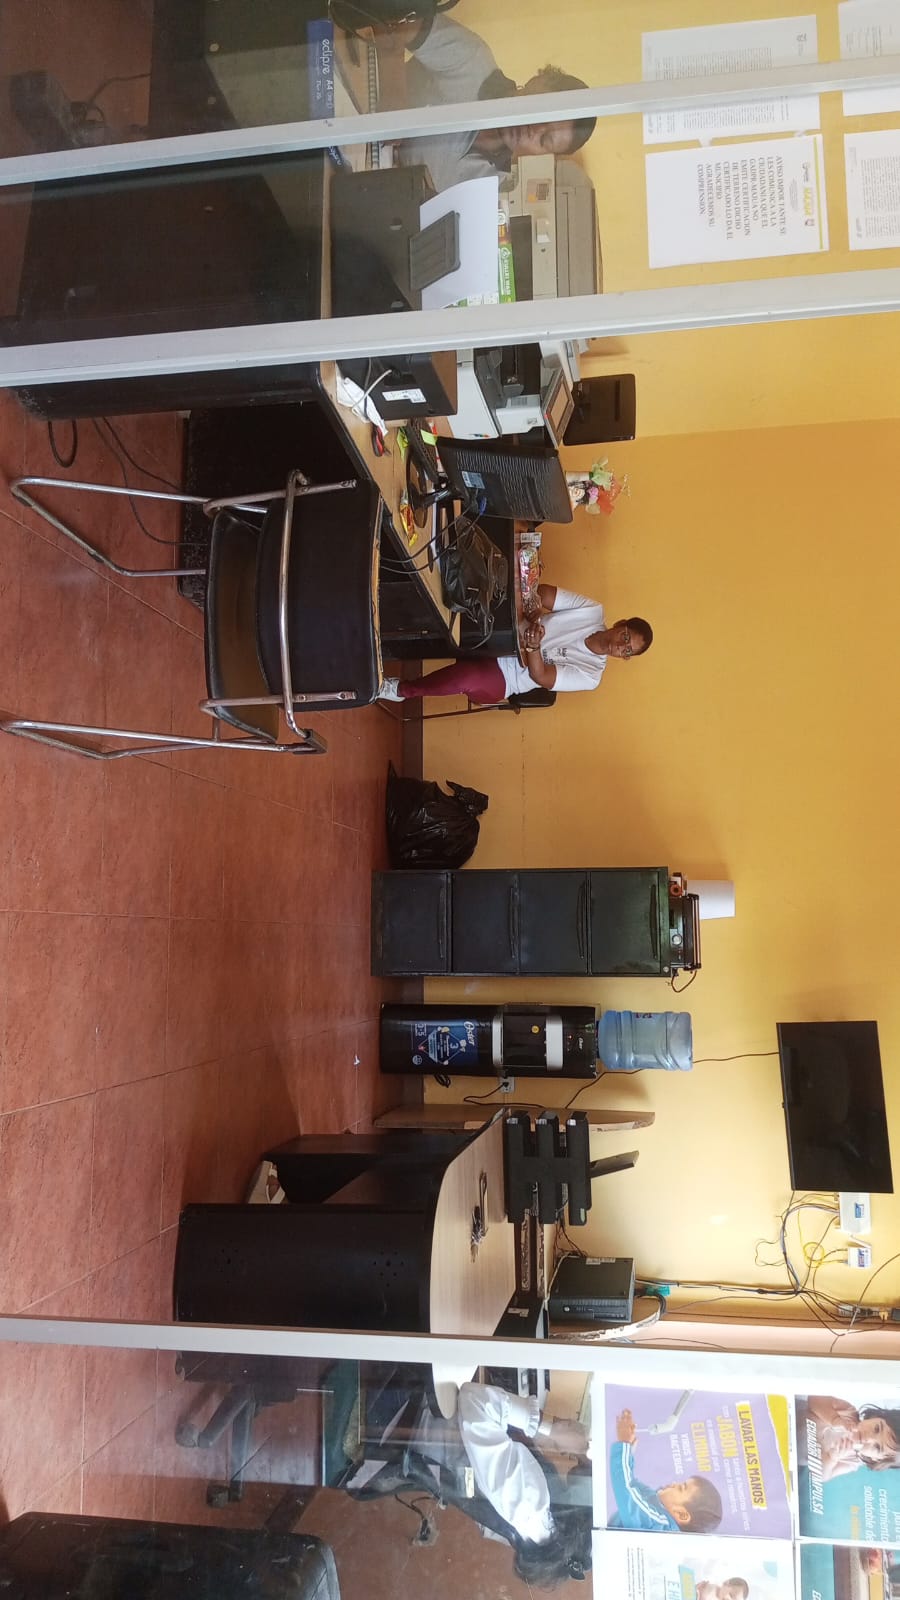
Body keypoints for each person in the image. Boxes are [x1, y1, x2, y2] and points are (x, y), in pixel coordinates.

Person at [347, 1380, 593, 1590]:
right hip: (407, 1425)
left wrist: (550, 1428)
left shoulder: (531, 1505)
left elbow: (474, 1398)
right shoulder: (542, 1528)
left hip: (394, 1416)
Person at [376, 15, 597, 191]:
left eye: (544, 139)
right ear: (539, 81)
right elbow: (396, 18)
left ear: (542, 158)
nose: (534, 129)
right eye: (545, 114)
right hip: (357, 110)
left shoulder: (496, 187)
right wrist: (392, 92)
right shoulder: (472, 59)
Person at [379, 583, 652, 703]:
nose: (621, 647)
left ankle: (401, 690)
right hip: (505, 633)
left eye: (627, 651)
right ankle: (387, 630)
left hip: (507, 676)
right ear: (620, 624)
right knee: (466, 606)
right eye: (625, 637)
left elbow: (540, 676)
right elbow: (543, 592)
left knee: (466, 677)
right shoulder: (592, 611)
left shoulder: (592, 676)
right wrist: (536, 613)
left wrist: (533, 647)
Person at [609, 1408, 723, 1533]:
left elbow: (627, 1492)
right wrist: (628, 1452)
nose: (674, 1483)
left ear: (681, 1514)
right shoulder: (657, 1502)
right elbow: (632, 1484)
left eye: (681, 1488)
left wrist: (624, 1444)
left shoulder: (659, 1525)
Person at [797, 1396, 900, 1481]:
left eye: (877, 1447)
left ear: (876, 1459)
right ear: (875, 1417)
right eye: (876, 1429)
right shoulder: (848, 1412)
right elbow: (814, 1399)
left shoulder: (852, 1461)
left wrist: (831, 1457)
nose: (869, 1438)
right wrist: (835, 1419)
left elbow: (820, 1476)